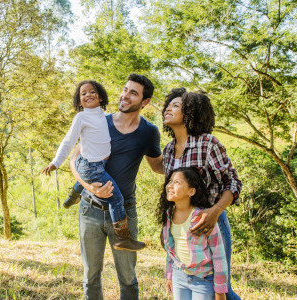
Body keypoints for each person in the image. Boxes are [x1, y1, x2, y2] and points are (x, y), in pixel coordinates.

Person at [69, 74, 163, 300]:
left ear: (145, 102)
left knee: (128, 278)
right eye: (125, 89)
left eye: (134, 93)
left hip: (125, 213)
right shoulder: (100, 122)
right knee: (91, 276)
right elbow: (74, 161)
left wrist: (185, 161)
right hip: (90, 210)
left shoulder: (149, 132)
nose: (125, 95)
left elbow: (158, 167)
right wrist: (89, 188)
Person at [42, 80, 145, 251]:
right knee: (116, 198)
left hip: (94, 163)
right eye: (83, 93)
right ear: (79, 100)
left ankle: (73, 196)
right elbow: (68, 141)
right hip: (92, 166)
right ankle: (122, 238)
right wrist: (55, 162)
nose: (88, 95)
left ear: (100, 95)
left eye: (92, 91)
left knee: (85, 176)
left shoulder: (103, 116)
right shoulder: (81, 117)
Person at [162, 89, 242, 300]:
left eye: (176, 105)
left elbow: (232, 182)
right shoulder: (169, 150)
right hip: (180, 225)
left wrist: (215, 211)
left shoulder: (207, 143)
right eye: (169, 104)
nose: (169, 108)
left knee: (221, 288)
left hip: (210, 224)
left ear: (190, 112)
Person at [158, 167, 228, 300]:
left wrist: (220, 289)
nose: (170, 185)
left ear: (191, 191)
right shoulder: (169, 215)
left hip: (203, 279)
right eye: (170, 181)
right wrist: (169, 275)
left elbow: (219, 255)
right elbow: (170, 250)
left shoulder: (203, 217)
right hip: (179, 276)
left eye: (177, 182)